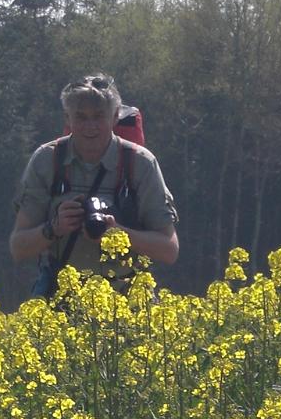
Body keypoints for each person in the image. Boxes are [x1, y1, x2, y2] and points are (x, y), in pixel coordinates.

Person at [10, 73, 179, 297]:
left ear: (115, 117)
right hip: (61, 300)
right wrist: (54, 228)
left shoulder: (140, 164)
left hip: (125, 299)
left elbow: (169, 249)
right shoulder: (47, 161)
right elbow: (18, 248)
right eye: (81, 117)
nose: (90, 126)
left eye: (99, 116)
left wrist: (117, 233)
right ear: (67, 119)